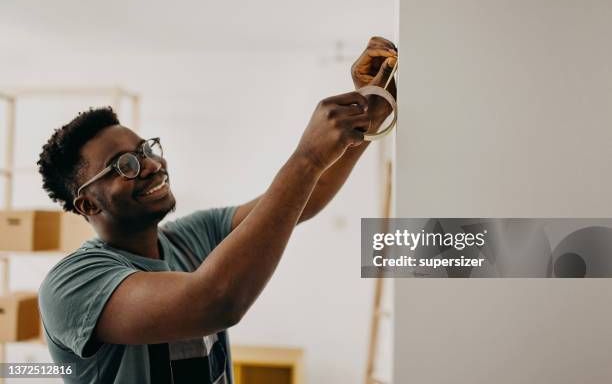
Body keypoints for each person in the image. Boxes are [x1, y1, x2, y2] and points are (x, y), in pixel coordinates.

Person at [37, 37, 397, 384]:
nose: (150, 165)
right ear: (88, 203)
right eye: (124, 166)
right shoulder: (72, 284)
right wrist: (307, 157)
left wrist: (368, 113)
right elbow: (215, 301)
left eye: (146, 150)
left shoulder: (194, 234)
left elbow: (307, 196)